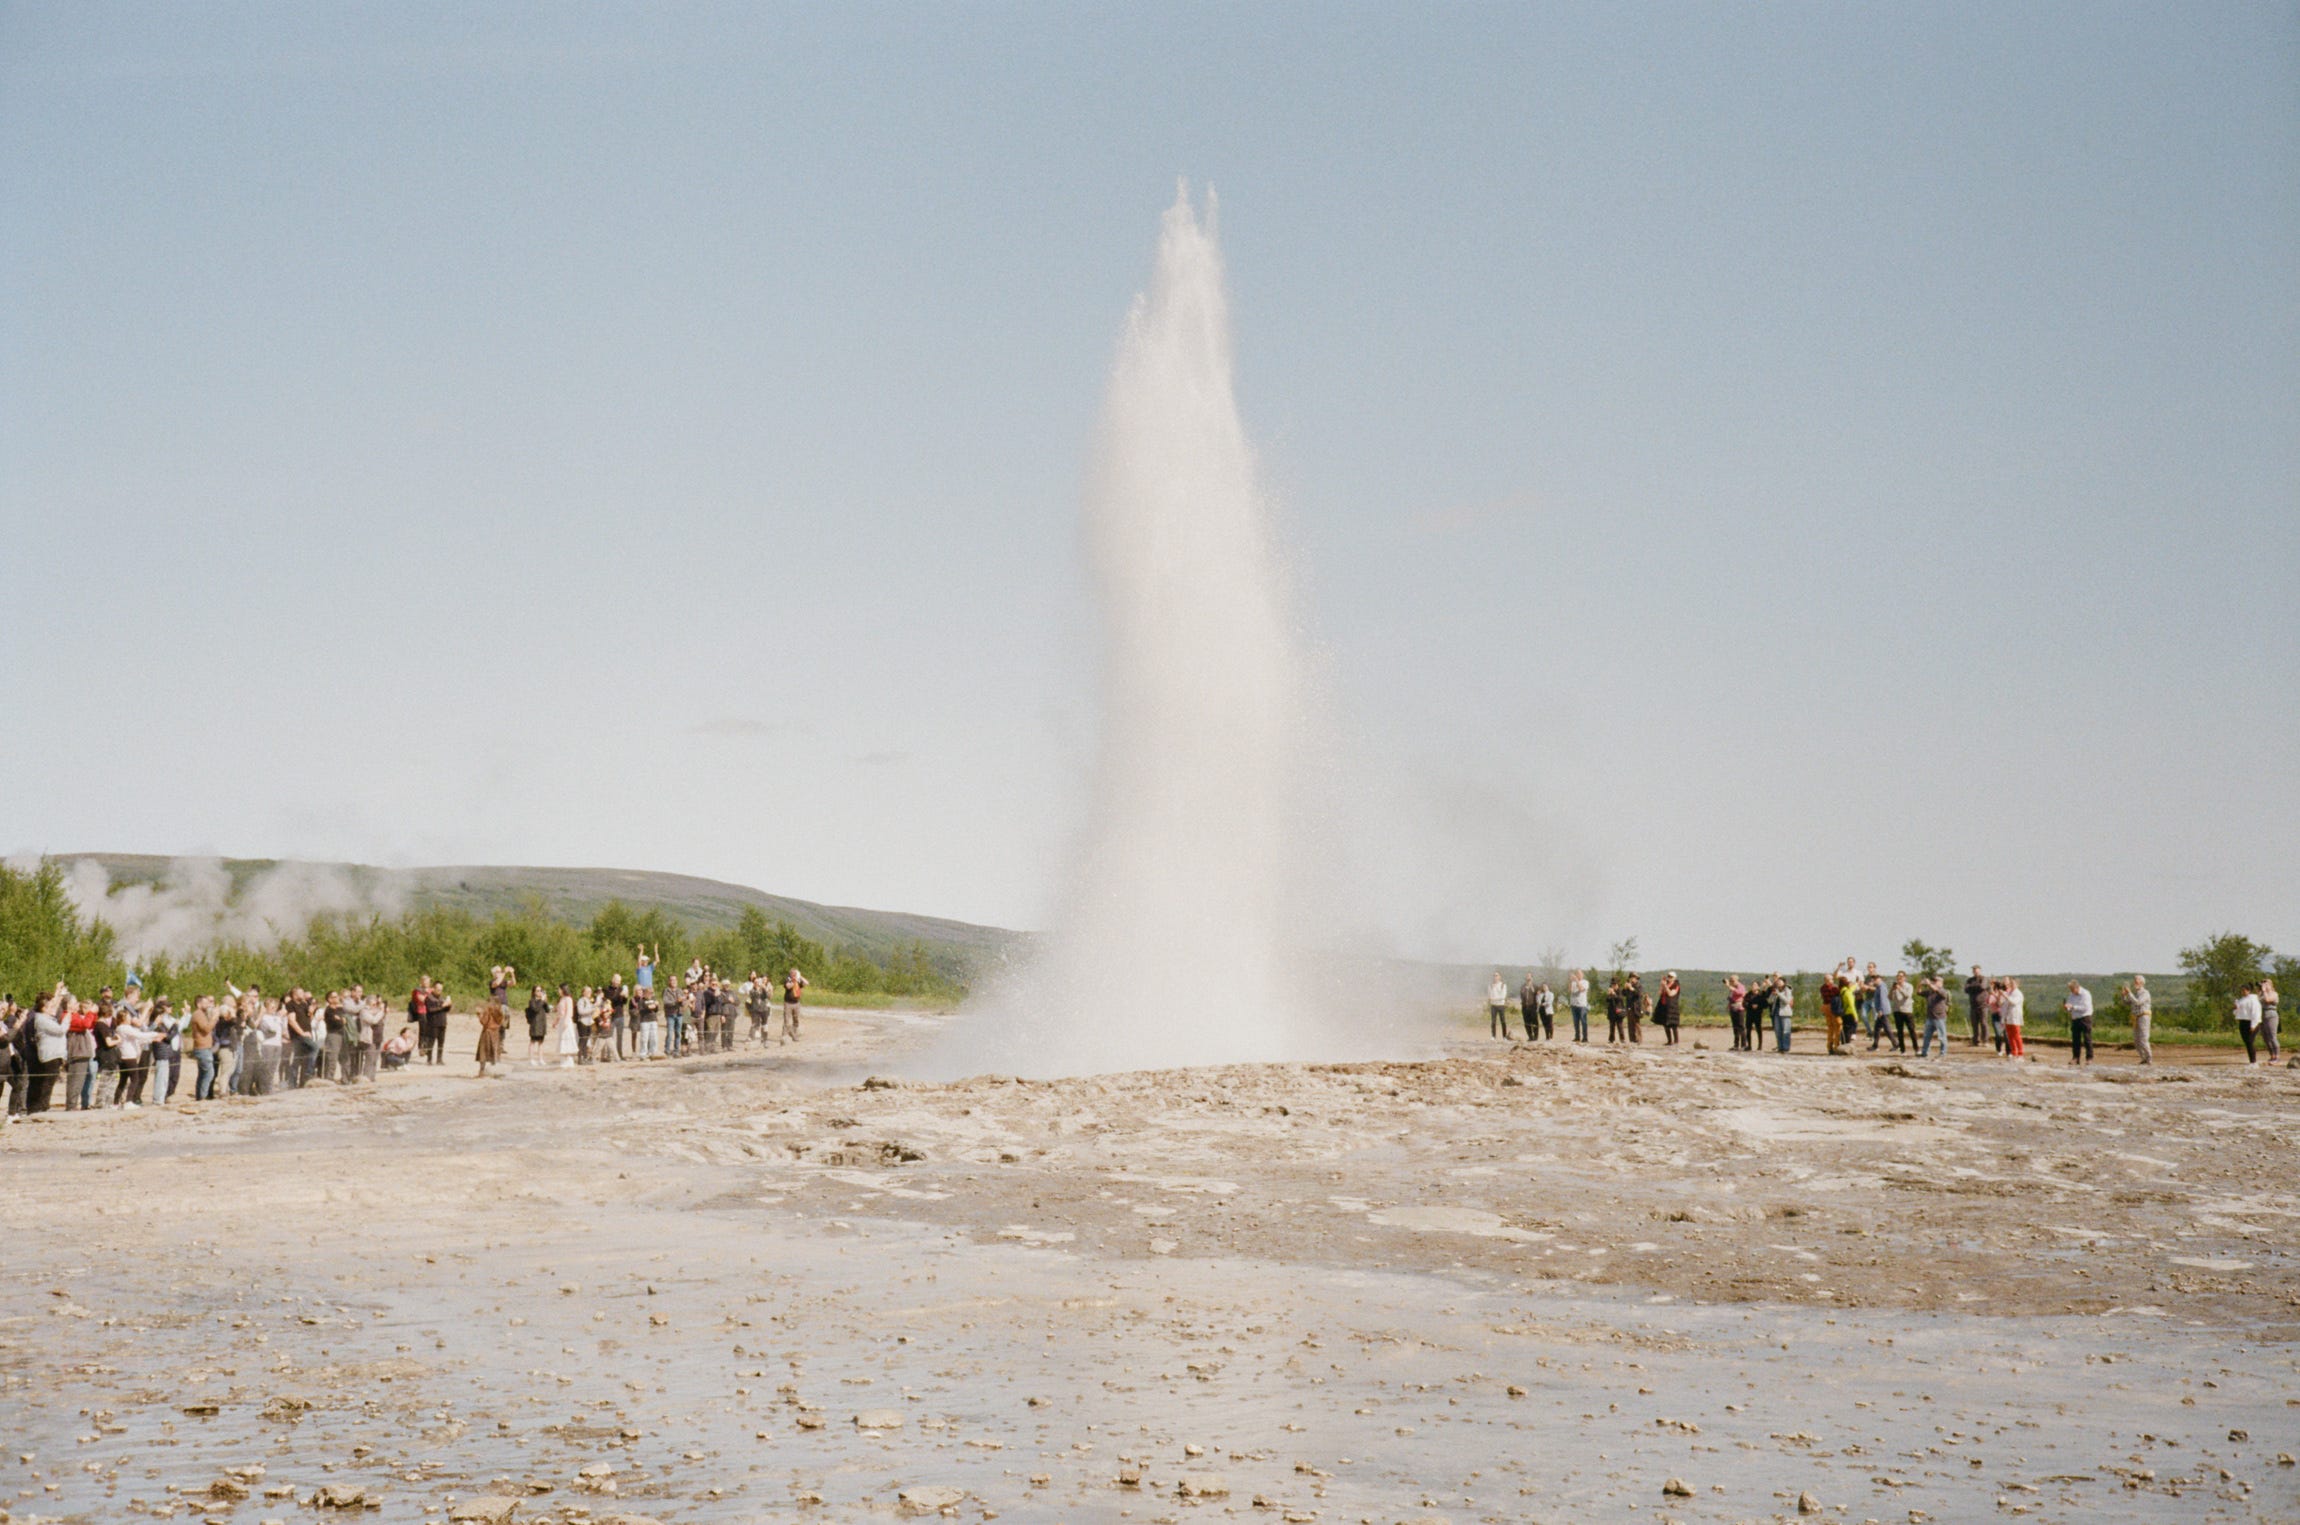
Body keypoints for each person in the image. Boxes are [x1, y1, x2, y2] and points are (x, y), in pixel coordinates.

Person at [2122, 973, 2153, 1065]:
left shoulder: (2145, 993)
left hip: (2144, 1017)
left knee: (2143, 1038)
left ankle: (2149, 1058)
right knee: (2136, 1040)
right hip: (2136, 1017)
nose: (2135, 983)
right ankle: (2143, 1058)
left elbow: (2138, 1002)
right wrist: (2124, 995)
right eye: (2135, 981)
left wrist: (2129, 993)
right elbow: (2126, 1003)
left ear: (2142, 983)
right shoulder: (2135, 994)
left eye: (2137, 981)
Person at [474, 993, 507, 1077]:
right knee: (494, 1051)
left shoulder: (488, 1011)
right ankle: (493, 1070)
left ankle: (482, 1071)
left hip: (487, 1033)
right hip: (495, 1033)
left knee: (483, 1052)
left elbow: (484, 1022)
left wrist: (479, 1015)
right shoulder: (499, 1012)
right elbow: (502, 1023)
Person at [1918, 974, 1950, 1058]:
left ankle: (1943, 1052)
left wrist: (1929, 984)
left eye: (1936, 981)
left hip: (1939, 1017)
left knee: (1942, 1036)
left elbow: (1939, 992)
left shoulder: (1943, 991)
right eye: (1933, 980)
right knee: (1926, 1036)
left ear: (1941, 982)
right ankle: (1925, 1052)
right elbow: (1919, 992)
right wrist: (1920, 984)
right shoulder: (1930, 992)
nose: (1934, 982)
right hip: (1930, 1017)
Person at [2064, 980, 2095, 1066]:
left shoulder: (2086, 994)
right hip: (2075, 1018)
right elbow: (2070, 1006)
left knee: (2087, 1038)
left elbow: (2085, 1007)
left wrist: (2073, 1007)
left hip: (2085, 1017)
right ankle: (2075, 1058)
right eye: (2070, 989)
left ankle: (2089, 1058)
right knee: (2075, 1039)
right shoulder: (2071, 995)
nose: (2071, 991)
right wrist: (2067, 1008)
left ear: (2077, 987)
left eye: (2072, 989)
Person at [2234, 982, 2263, 1064]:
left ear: (2249, 990)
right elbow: (2237, 1012)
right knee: (2247, 1042)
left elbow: (2255, 1013)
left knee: (2249, 1041)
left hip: (2251, 1022)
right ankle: (2252, 1059)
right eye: (2241, 990)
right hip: (2243, 1021)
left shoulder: (2253, 1000)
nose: (2242, 992)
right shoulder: (2241, 1000)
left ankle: (2253, 1061)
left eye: (2244, 990)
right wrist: (2236, 1008)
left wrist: (2253, 1025)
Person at [1890, 972, 1917, 1054]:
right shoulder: (1895, 987)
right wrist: (1892, 989)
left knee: (1911, 1030)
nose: (1899, 978)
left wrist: (1899, 988)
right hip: (1897, 1010)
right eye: (1898, 976)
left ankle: (1916, 1048)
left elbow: (1907, 995)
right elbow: (1890, 998)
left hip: (1907, 1010)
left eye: (1901, 976)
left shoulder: (1909, 986)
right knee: (1899, 1031)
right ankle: (1902, 1049)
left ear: (1905, 977)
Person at [524, 985, 551, 1063]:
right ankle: (531, 1059)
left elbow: (548, 1010)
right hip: (535, 1024)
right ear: (534, 992)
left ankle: (541, 1059)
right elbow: (536, 1009)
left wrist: (545, 1001)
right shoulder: (532, 1001)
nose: (540, 992)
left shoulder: (542, 1001)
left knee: (541, 1042)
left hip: (542, 1024)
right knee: (532, 1041)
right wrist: (541, 1001)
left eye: (541, 990)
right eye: (538, 991)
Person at [1653, 973, 1682, 1046]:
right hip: (1664, 1006)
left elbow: (1671, 994)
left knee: (1673, 1025)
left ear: (1674, 978)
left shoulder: (1676, 985)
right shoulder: (1666, 985)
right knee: (1665, 1024)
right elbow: (1659, 993)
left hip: (1672, 1006)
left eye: (1671, 977)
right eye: (1668, 976)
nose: (1669, 978)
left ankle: (1676, 1041)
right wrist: (1662, 985)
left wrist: (1665, 986)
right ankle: (1669, 1041)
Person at [781, 967, 808, 1044]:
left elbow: (806, 983)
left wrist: (800, 977)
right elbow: (788, 986)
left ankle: (793, 1034)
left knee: (796, 1020)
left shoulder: (798, 980)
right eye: (793, 974)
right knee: (786, 1020)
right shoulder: (788, 979)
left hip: (796, 1003)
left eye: (795, 974)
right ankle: (784, 1036)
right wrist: (793, 981)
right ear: (790, 974)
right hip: (788, 1003)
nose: (794, 975)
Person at [1964, 966, 1989, 1047]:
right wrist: (1976, 986)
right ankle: (1975, 1041)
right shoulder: (1969, 980)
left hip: (1983, 1005)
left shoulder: (1984, 978)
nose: (1975, 972)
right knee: (1974, 1024)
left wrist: (1972, 987)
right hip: (1973, 1005)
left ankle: (1985, 1040)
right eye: (1974, 970)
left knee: (1983, 1023)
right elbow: (1966, 989)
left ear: (1980, 971)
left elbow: (1982, 986)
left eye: (1977, 970)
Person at [2002, 977, 2026, 1058]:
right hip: (2008, 1016)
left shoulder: (2018, 993)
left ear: (2017, 984)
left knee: (2016, 1035)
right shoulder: (2009, 993)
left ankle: (2020, 1052)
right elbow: (2005, 1005)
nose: (2011, 985)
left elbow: (2013, 1002)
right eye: (2010, 983)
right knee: (2010, 1035)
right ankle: (2013, 1051)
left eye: (2013, 983)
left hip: (2015, 1016)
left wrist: (2005, 996)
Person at [2260, 976, 2281, 1062]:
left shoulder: (2274, 993)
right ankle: (2272, 1055)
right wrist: (2260, 991)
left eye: (2266, 983)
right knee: (2265, 1037)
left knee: (2272, 1037)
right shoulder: (2262, 994)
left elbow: (2268, 1000)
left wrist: (2265, 991)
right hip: (2262, 1015)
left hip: (2271, 1014)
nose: (2264, 985)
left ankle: (2277, 1056)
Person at [1771, 976, 1794, 1054]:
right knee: (1778, 1031)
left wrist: (1779, 994)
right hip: (1776, 1012)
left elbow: (1787, 1001)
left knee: (1786, 1030)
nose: (1778, 983)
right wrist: (1773, 995)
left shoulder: (1787, 990)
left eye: (1780, 981)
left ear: (1784, 982)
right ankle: (1780, 1047)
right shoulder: (1776, 990)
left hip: (1785, 1012)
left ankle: (1786, 1048)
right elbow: (1770, 1001)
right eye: (1777, 982)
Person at [1725, 975, 1748, 1051]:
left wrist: (1730, 987)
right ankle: (1736, 1044)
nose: (1731, 982)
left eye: (1733, 981)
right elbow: (1731, 998)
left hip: (1739, 1008)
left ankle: (1744, 1044)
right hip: (1733, 1008)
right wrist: (1728, 1006)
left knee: (1741, 1026)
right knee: (1735, 1027)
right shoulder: (1732, 988)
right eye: (1730, 981)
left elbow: (1740, 993)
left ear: (1737, 980)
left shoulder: (1741, 986)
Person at [1567, 969, 1590, 1043]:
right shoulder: (1573, 983)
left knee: (1583, 1022)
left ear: (1582, 974)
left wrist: (1577, 980)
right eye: (1577, 974)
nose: (1578, 975)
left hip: (1582, 1005)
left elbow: (1581, 989)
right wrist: (1570, 981)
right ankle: (1577, 1037)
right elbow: (1570, 990)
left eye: (1579, 974)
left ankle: (1585, 1037)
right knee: (1575, 1022)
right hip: (1574, 1004)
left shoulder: (1585, 982)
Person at [1487, 973, 1509, 1040]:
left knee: (1503, 1021)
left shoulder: (1503, 985)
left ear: (1500, 977)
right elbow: (1489, 995)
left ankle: (1504, 1036)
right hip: (1493, 1005)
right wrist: (1492, 998)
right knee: (1493, 1021)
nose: (1495, 977)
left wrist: (1494, 998)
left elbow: (1503, 995)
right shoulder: (1490, 985)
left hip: (1501, 1005)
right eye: (1494, 976)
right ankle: (1493, 1036)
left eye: (1496, 976)